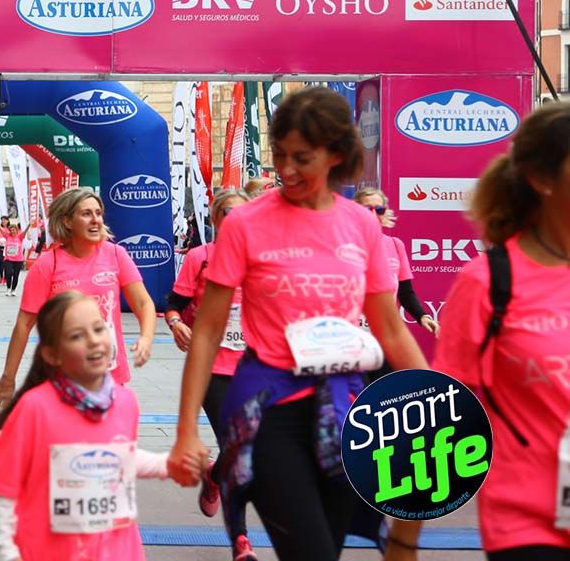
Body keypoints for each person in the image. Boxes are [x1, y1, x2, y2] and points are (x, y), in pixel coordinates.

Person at [167, 86, 427, 561]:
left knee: (328, 544)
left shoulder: (361, 225)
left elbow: (390, 328)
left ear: (336, 155)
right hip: (268, 408)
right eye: (279, 155)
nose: (286, 170)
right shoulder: (245, 224)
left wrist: (436, 402)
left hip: (347, 410)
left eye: (301, 158)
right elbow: (206, 331)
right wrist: (187, 429)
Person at [403, 101, 570, 561]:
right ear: (541, 179)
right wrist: (403, 539)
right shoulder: (489, 281)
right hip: (529, 525)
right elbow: (440, 416)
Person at [0, 292, 173, 560]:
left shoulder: (126, 402)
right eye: (76, 336)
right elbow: (3, 489)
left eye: (99, 328)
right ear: (52, 355)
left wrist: (167, 464)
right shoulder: (34, 408)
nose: (94, 340)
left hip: (119, 552)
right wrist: (8, 553)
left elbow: (118, 458)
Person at [0, 188, 158, 407]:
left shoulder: (116, 254)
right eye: (86, 214)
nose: (95, 220)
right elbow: (24, 324)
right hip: (60, 381)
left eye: (98, 213)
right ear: (67, 221)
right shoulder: (47, 264)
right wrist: (8, 377)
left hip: (110, 377)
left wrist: (146, 338)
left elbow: (143, 303)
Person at [163, 188, 256, 561]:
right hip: (213, 369)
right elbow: (174, 304)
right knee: (237, 448)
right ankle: (241, 541)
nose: (236, 220)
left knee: (243, 449)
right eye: (228, 213)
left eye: (243, 214)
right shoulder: (199, 258)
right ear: (216, 219)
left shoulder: (262, 258)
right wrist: (176, 324)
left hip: (256, 369)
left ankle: (215, 476)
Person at [352, 187, 439, 337]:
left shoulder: (395, 244)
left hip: (383, 331)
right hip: (350, 331)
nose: (373, 214)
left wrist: (422, 316)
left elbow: (406, 293)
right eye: (367, 209)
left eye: (379, 210)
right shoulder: (343, 244)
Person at [1, 223, 25, 293]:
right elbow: (0, 228)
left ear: (17, 230)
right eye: (11, 230)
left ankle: (13, 290)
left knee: (16, 275)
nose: (12, 232)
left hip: (18, 260)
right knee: (9, 273)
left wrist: (29, 224)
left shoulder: (20, 237)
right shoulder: (7, 236)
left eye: (13, 230)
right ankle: (8, 287)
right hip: (8, 259)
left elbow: (25, 231)